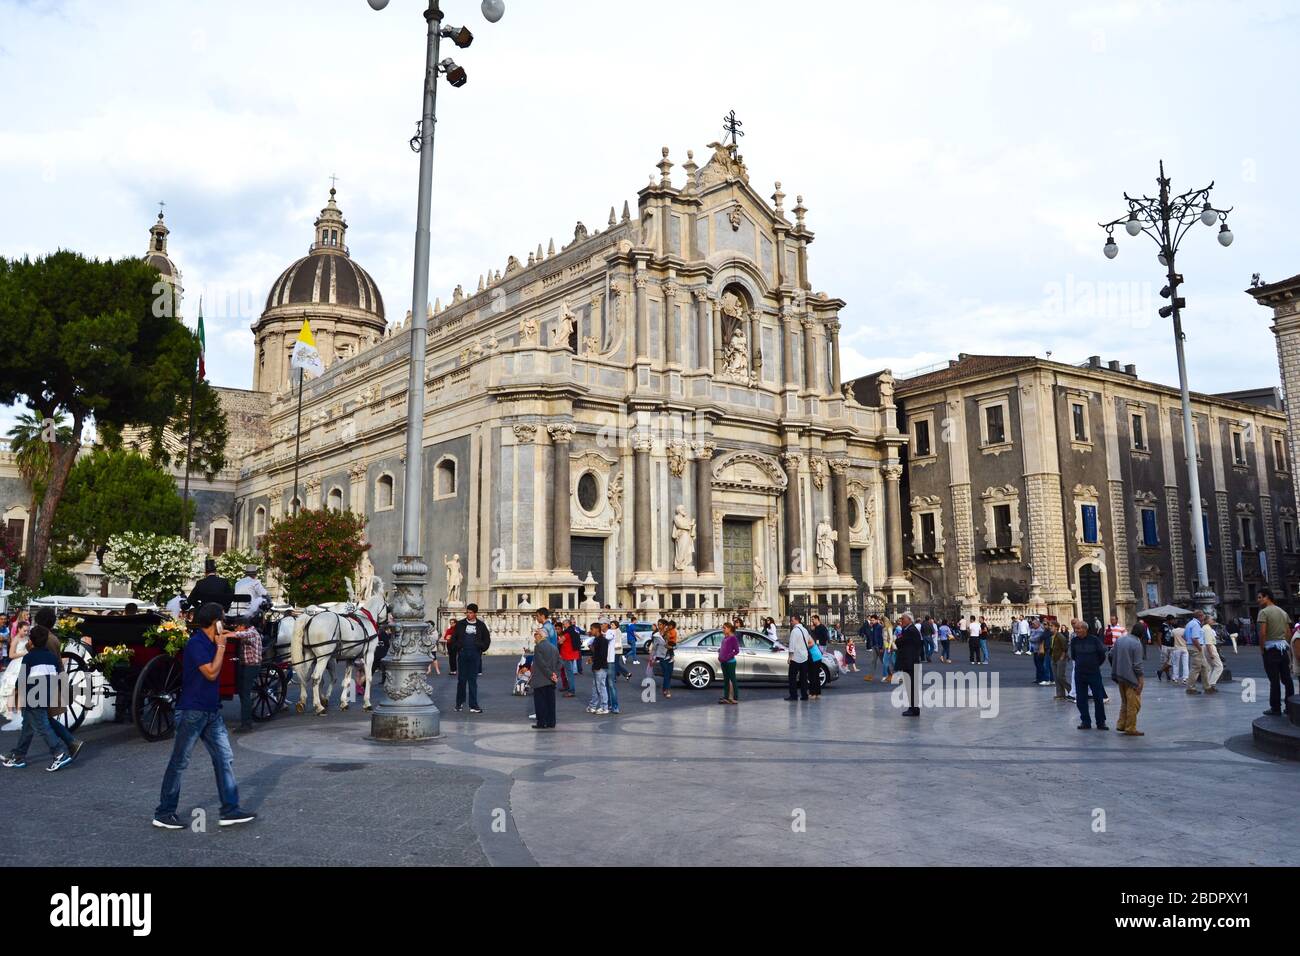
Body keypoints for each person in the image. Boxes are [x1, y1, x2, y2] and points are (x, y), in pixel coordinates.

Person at [152, 603, 256, 828]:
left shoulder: (210, 641)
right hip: (192, 710)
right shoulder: (197, 643)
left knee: (224, 758)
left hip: (210, 710)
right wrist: (221, 648)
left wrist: (223, 641)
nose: (225, 623)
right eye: (223, 619)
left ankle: (230, 809)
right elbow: (210, 673)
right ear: (215, 622)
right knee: (180, 761)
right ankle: (164, 812)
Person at [0, 624, 81, 771]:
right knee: (28, 725)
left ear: (31, 641)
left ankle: (59, 753)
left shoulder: (29, 657)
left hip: (32, 693)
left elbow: (22, 680)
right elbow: (56, 673)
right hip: (47, 691)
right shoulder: (51, 656)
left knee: (43, 725)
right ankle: (19, 755)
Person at [1256, 588, 1295, 717]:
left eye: (1260, 597)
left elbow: (1262, 633)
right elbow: (1289, 632)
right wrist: (1286, 644)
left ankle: (1275, 707)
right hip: (1283, 649)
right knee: (1287, 679)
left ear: (1267, 597)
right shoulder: (1283, 612)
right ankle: (1290, 707)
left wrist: (1262, 649)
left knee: (1274, 680)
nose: (1259, 600)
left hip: (1271, 649)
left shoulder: (1264, 612)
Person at [1069, 618, 1108, 730]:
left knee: (1098, 698)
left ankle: (1101, 722)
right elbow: (1074, 656)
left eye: (1078, 628)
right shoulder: (1074, 641)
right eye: (1075, 628)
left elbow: (1102, 655)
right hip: (1080, 673)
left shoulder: (1094, 640)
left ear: (1085, 629)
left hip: (1093, 673)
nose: (1076, 630)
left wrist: (1095, 665)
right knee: (1081, 699)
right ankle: (1085, 721)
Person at [450, 604, 490, 714]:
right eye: (467, 612)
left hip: (475, 654)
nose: (469, 614)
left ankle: (473, 705)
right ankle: (459, 703)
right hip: (463, 654)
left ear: (475, 613)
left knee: (473, 680)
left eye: (471, 612)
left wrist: (480, 647)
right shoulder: (460, 624)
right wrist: (458, 646)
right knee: (461, 680)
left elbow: (487, 640)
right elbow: (454, 638)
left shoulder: (481, 625)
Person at [229, 617, 263, 734]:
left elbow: (239, 635)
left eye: (237, 626)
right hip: (246, 665)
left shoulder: (252, 633)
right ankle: (247, 716)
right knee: (243, 693)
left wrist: (223, 636)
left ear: (243, 626)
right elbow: (236, 633)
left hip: (252, 666)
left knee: (245, 693)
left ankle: (246, 724)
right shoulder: (248, 631)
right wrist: (225, 632)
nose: (236, 628)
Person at [1111, 625, 1145, 736]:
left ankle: (1121, 723)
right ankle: (1130, 727)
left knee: (1125, 701)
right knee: (1134, 704)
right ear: (1141, 634)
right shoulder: (1137, 644)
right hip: (1131, 678)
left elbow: (1111, 655)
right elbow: (1137, 666)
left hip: (1119, 675)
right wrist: (1140, 680)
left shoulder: (1120, 640)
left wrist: (1116, 667)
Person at [530, 627, 559, 730]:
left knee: (540, 702)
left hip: (541, 679)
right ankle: (551, 722)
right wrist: (555, 674)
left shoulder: (538, 647)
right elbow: (559, 662)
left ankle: (542, 722)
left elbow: (541, 664)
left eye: (536, 635)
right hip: (551, 681)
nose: (534, 637)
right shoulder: (553, 647)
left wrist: (551, 674)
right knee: (550, 702)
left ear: (541, 636)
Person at [894, 613, 922, 717]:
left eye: (903, 618)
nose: (902, 620)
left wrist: (898, 640)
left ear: (909, 619)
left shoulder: (910, 630)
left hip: (910, 662)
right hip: (910, 661)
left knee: (911, 686)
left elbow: (900, 641)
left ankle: (913, 708)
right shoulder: (909, 629)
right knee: (910, 686)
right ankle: (913, 707)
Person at [784, 613, 813, 702]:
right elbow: (809, 642)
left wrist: (790, 657)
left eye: (792, 620)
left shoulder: (794, 631)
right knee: (803, 678)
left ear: (796, 620)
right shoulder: (805, 630)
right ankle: (804, 695)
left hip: (796, 657)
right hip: (804, 656)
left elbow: (791, 645)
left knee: (792, 677)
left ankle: (793, 695)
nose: (791, 622)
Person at [1184, 611, 1212, 695]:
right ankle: (1190, 688)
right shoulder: (1196, 624)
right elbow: (1194, 638)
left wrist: (1188, 642)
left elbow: (1184, 636)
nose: (1204, 617)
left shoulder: (1189, 623)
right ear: (1200, 616)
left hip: (1191, 646)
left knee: (1204, 667)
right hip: (1196, 646)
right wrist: (1199, 648)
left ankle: (1207, 687)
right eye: (1203, 615)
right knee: (1196, 668)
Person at [587, 623, 610, 714]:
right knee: (596, 687)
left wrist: (597, 665)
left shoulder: (602, 640)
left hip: (600, 666)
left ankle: (604, 707)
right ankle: (593, 705)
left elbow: (603, 655)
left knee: (601, 687)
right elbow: (596, 653)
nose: (590, 630)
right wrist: (592, 658)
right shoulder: (596, 639)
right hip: (597, 665)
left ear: (597, 629)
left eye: (592, 629)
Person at [718, 622, 740, 705]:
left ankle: (735, 698)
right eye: (723, 628)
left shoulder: (733, 638)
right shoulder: (725, 638)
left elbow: (736, 651)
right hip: (723, 661)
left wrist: (728, 656)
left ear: (729, 629)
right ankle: (726, 697)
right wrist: (720, 654)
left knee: (732, 679)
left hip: (730, 662)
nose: (723, 630)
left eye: (724, 628)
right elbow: (724, 648)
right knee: (726, 680)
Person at [559, 618, 582, 698]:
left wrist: (559, 639)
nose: (563, 625)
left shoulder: (567, 633)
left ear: (568, 624)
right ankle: (569, 687)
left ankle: (571, 690)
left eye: (564, 624)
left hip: (567, 654)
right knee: (569, 672)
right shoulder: (574, 631)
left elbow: (561, 641)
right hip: (573, 653)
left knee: (569, 673)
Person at [650, 621, 672, 699]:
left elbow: (674, 643)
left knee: (669, 673)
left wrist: (671, 646)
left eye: (660, 624)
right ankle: (667, 690)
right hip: (661, 655)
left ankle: (664, 688)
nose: (659, 626)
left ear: (664, 625)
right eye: (658, 624)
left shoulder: (669, 633)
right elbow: (654, 647)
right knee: (666, 672)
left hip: (670, 655)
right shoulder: (656, 635)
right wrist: (652, 656)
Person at [1203, 617, 1225, 689]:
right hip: (1210, 647)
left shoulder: (1204, 628)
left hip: (1206, 647)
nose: (1213, 620)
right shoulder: (1207, 629)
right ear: (1206, 620)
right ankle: (1211, 683)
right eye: (1211, 619)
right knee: (1219, 666)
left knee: (1211, 666)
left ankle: (1208, 684)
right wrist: (1211, 653)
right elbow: (1208, 642)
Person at [1051, 622, 1071, 701]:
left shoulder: (1060, 636)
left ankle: (1071, 690)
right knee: (1056, 677)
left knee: (1060, 676)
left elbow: (1065, 647)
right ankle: (1060, 694)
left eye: (1051, 626)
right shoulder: (1053, 636)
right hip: (1054, 658)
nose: (1050, 627)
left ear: (1056, 627)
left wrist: (1062, 657)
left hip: (1060, 658)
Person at [1030, 617, 1052, 686]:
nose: (1032, 625)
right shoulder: (1035, 630)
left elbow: (1035, 639)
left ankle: (1044, 678)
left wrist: (1031, 639)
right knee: (1037, 664)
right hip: (1036, 650)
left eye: (1045, 624)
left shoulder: (1040, 631)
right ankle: (1039, 678)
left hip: (1041, 650)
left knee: (1042, 665)